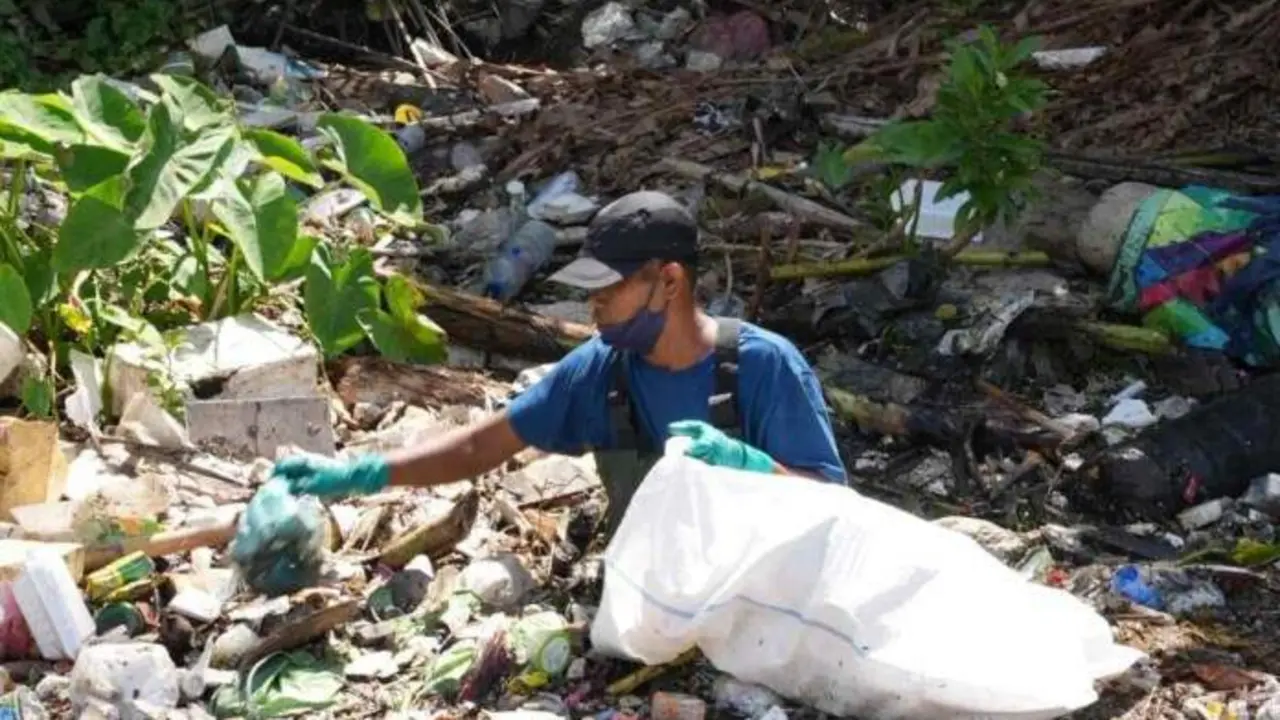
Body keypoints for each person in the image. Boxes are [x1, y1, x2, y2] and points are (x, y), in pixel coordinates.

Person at [275, 190, 848, 532]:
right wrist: (365, 473)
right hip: (657, 603)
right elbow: (484, 445)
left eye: (609, 289)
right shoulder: (601, 369)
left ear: (668, 281)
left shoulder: (763, 367)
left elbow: (835, 511)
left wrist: (746, 465)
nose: (593, 304)